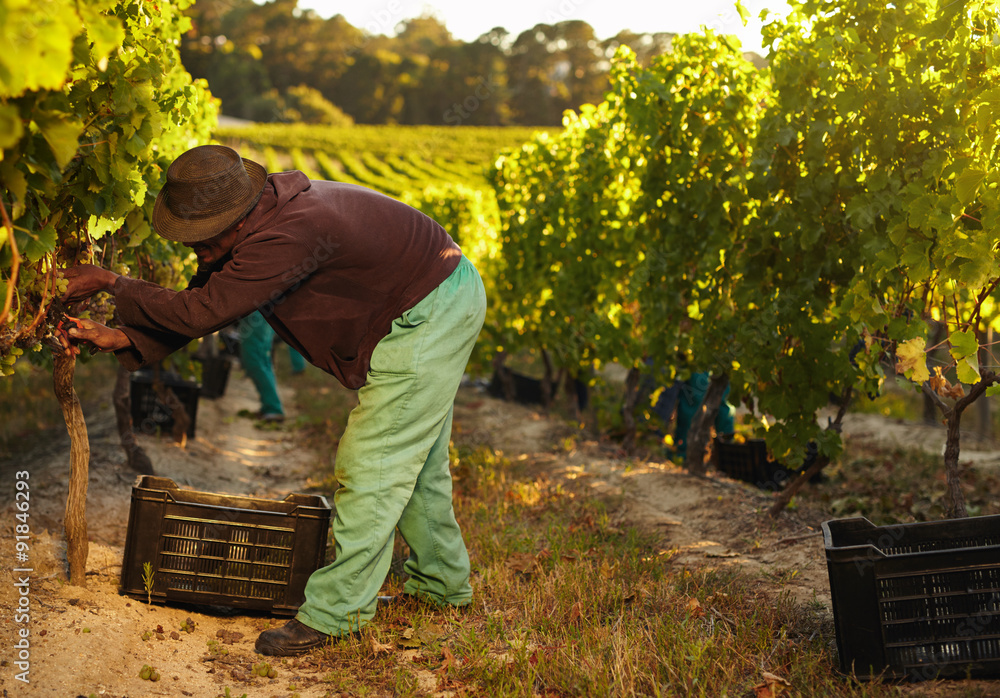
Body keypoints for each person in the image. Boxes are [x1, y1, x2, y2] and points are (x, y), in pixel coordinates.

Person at [62, 144, 487, 656]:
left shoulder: (290, 231)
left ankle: (339, 613)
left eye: (200, 239)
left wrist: (112, 280)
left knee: (374, 459)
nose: (195, 250)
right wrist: (127, 338)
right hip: (441, 290)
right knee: (415, 464)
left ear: (235, 220)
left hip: (430, 307)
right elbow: (208, 303)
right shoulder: (259, 218)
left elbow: (203, 309)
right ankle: (441, 584)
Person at [237, 309, 306, 422]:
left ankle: (273, 409)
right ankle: (270, 407)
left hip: (257, 310)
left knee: (254, 359)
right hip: (263, 310)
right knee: (262, 358)